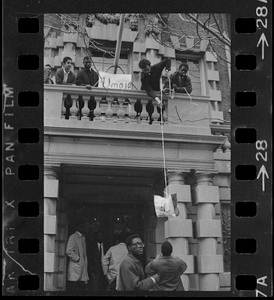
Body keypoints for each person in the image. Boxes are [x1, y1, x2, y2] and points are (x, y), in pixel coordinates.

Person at [137, 58, 171, 124]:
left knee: (158, 116)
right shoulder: (143, 76)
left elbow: (168, 60)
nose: (146, 72)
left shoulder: (156, 68)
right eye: (144, 70)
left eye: (147, 69)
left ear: (149, 66)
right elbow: (148, 89)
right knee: (146, 118)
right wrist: (157, 99)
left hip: (156, 93)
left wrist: (166, 71)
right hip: (147, 97)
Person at [65, 220, 89, 295]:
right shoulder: (73, 237)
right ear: (79, 227)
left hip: (82, 269)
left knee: (81, 289)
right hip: (75, 269)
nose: (86, 228)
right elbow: (68, 251)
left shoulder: (83, 238)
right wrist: (77, 259)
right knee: (73, 289)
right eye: (84, 226)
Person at [76, 56, 99, 120]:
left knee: (92, 117)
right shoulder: (80, 72)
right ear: (83, 63)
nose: (88, 64)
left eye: (89, 62)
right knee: (82, 116)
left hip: (93, 100)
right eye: (86, 62)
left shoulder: (95, 74)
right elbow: (78, 83)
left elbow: (97, 85)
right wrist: (85, 85)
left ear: (91, 62)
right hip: (83, 99)